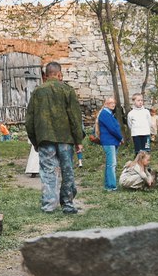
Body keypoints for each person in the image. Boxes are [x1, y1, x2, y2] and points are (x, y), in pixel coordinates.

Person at [25, 62, 84, 214]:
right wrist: (78, 140)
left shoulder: (38, 92)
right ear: (59, 74)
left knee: (48, 172)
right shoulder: (67, 90)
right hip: (66, 139)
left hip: (45, 138)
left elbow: (29, 120)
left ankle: (49, 205)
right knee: (67, 171)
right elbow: (75, 118)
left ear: (45, 75)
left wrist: (35, 141)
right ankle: (68, 204)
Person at [96, 96, 124, 191]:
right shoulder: (105, 114)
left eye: (114, 103)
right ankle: (111, 186)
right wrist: (120, 138)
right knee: (112, 164)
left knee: (110, 164)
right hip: (109, 142)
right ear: (106, 104)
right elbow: (112, 129)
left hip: (112, 141)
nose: (113, 104)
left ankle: (108, 185)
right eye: (111, 102)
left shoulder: (109, 114)